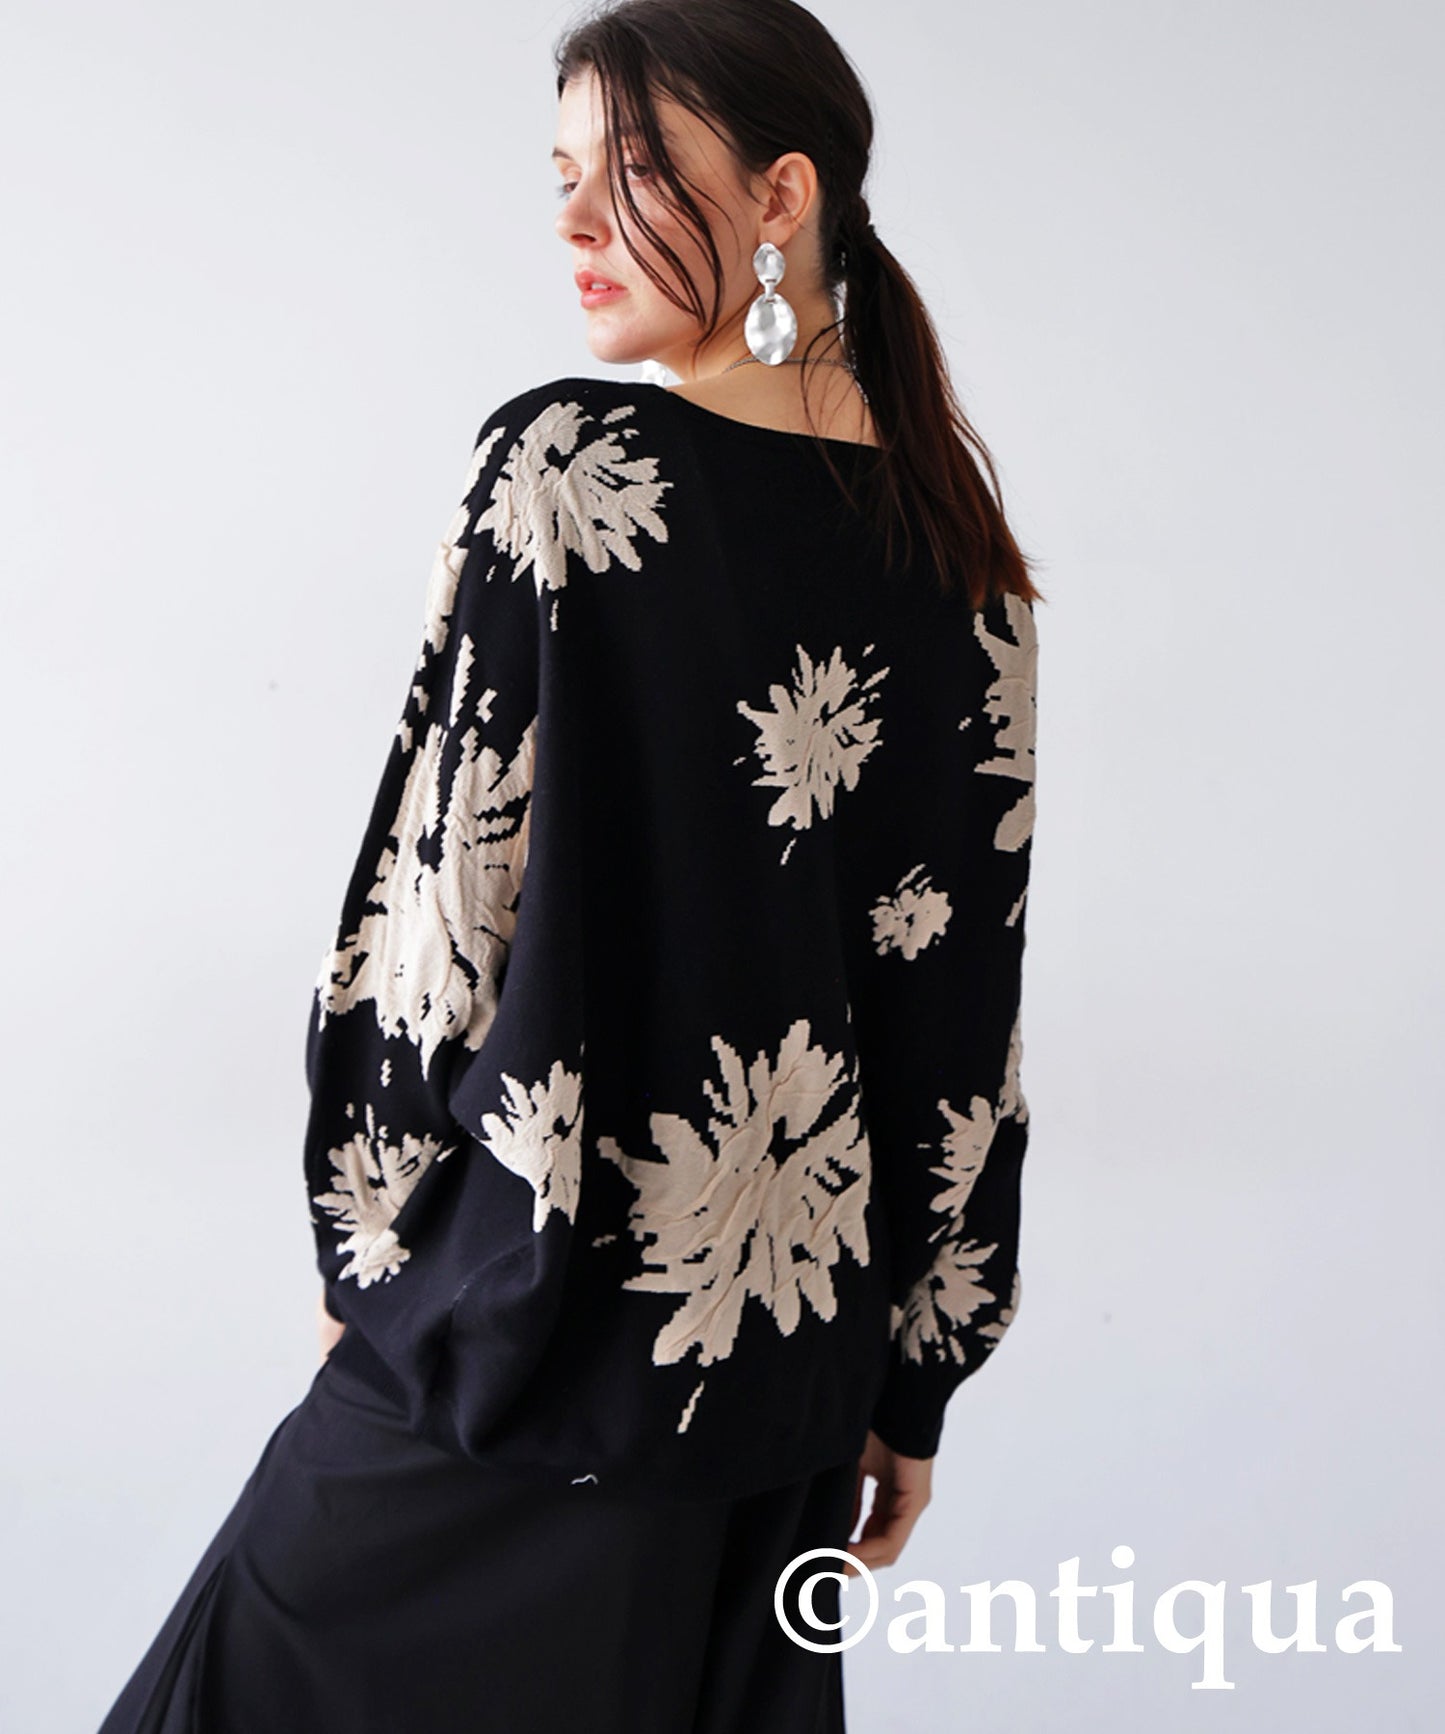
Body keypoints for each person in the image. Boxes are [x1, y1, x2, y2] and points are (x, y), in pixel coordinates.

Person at [95, 1, 1043, 1729]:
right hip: (782, 1393)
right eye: (559, 180)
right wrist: (912, 1383)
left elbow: (437, 909)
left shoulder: (571, 467)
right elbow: (956, 1017)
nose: (573, 224)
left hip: (521, 1350)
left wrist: (369, 1252)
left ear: (780, 195)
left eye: (629, 174)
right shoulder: (960, 558)